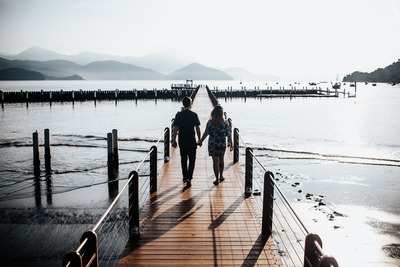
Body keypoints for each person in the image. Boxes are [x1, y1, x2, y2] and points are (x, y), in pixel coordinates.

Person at [198, 105, 233, 186]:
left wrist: (200, 141)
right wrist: (231, 144)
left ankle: (216, 179)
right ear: (222, 113)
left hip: (213, 144)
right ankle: (221, 176)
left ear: (213, 112)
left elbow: (206, 133)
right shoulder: (225, 123)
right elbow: (229, 134)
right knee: (221, 160)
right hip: (221, 144)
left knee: (215, 161)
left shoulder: (210, 122)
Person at [171, 96, 201, 187]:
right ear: (190, 104)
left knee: (183, 159)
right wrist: (199, 139)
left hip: (182, 140)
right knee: (192, 160)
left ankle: (185, 176)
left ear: (183, 104)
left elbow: (175, 128)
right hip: (191, 140)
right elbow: (197, 128)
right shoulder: (194, 115)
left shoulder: (179, 115)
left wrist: (173, 140)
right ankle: (189, 177)